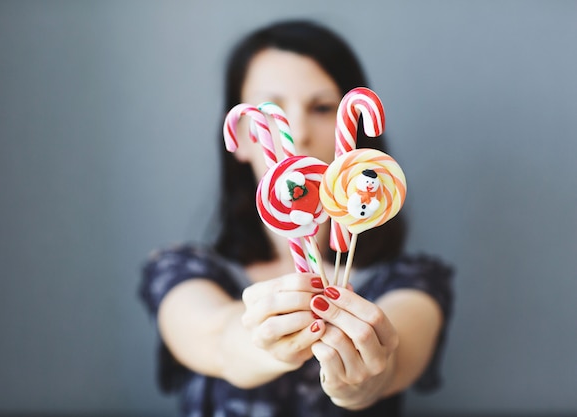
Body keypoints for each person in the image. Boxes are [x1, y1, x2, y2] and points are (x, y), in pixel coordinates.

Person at [139, 19, 453, 417]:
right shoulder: (183, 270)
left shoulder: (409, 278)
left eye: (322, 108)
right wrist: (263, 340)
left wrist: (362, 381)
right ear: (241, 140)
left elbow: (397, 355)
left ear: (354, 134)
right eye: (272, 112)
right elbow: (218, 340)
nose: (299, 133)